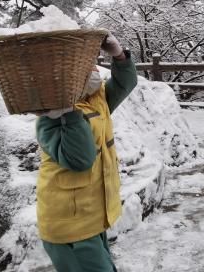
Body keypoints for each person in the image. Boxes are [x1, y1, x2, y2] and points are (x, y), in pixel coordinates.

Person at [35, 33, 138, 272]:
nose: (93, 69)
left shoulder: (95, 98)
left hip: (91, 216)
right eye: (84, 66)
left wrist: (120, 56)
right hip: (69, 225)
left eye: (91, 63)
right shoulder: (50, 118)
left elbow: (126, 83)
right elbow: (80, 159)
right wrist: (68, 113)